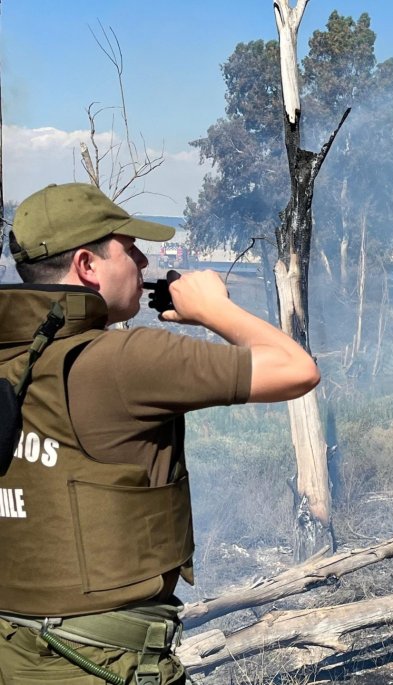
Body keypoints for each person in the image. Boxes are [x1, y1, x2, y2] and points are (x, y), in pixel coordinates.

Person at [0, 183, 319, 684]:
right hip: (102, 665)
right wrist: (212, 309)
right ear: (87, 265)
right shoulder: (124, 360)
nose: (144, 263)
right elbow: (296, 370)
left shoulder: (10, 360)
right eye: (129, 250)